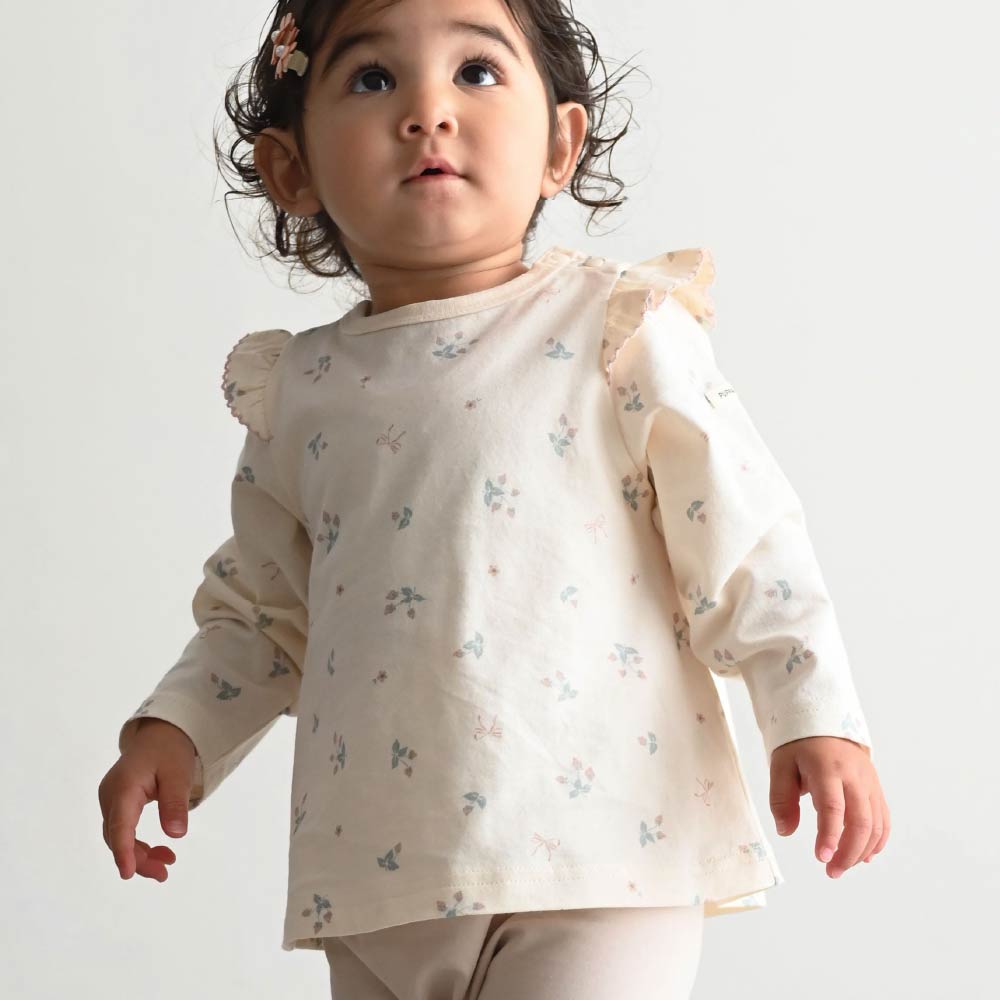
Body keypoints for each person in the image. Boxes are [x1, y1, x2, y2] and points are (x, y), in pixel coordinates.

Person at [98, 0, 890, 996]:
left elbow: (745, 538)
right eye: (373, 78)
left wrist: (811, 710)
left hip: (607, 852)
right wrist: (176, 728)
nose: (428, 110)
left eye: (475, 72)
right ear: (291, 169)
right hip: (379, 877)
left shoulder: (617, 331)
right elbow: (262, 610)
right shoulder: (300, 394)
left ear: (559, 143)